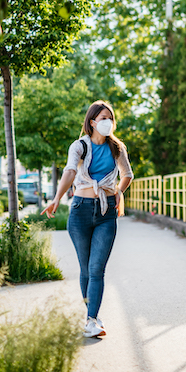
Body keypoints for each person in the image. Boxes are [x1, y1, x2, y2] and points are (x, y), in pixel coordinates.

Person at [41, 100, 133, 338]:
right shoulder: (79, 146)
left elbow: (127, 175)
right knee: (85, 269)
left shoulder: (117, 148)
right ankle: (91, 316)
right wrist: (57, 198)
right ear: (92, 122)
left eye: (110, 118)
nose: (108, 122)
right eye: (103, 118)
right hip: (81, 210)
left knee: (97, 269)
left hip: (106, 212)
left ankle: (91, 320)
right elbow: (70, 170)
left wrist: (119, 192)